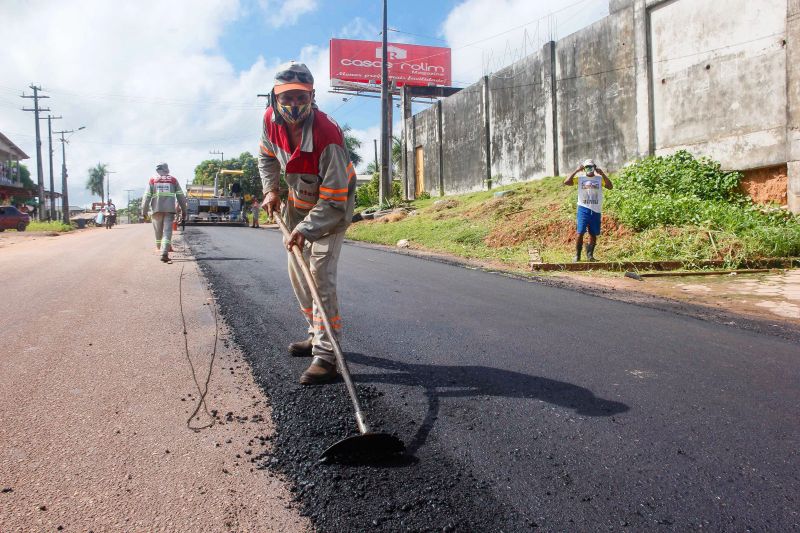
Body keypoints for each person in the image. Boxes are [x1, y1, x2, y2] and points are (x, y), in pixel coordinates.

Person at [259, 61, 356, 385]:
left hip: (332, 209)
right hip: (297, 205)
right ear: (274, 98)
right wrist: (271, 190)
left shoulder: (327, 136)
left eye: (301, 97)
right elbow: (266, 156)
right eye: (287, 97)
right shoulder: (270, 121)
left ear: (312, 97)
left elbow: (333, 201)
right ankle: (316, 335)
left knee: (319, 275)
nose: (294, 104)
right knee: (298, 273)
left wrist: (304, 230)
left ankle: (327, 357)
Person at [563, 159, 613, 262]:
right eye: (587, 167)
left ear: (595, 168)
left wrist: (602, 174)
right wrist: (576, 170)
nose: (589, 169)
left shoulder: (599, 179)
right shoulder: (580, 179)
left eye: (591, 167)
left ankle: (590, 255)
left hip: (596, 210)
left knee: (593, 234)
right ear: (584, 168)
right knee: (580, 232)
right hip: (583, 209)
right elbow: (567, 182)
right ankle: (577, 255)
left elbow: (610, 186)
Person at [141, 162, 187, 263]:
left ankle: (159, 247)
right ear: (167, 170)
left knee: (158, 230)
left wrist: (144, 211)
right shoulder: (173, 180)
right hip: (169, 210)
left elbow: (146, 197)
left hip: (156, 210)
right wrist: (184, 211)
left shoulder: (153, 180)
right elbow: (181, 197)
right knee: (167, 232)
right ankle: (164, 252)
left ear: (158, 171)